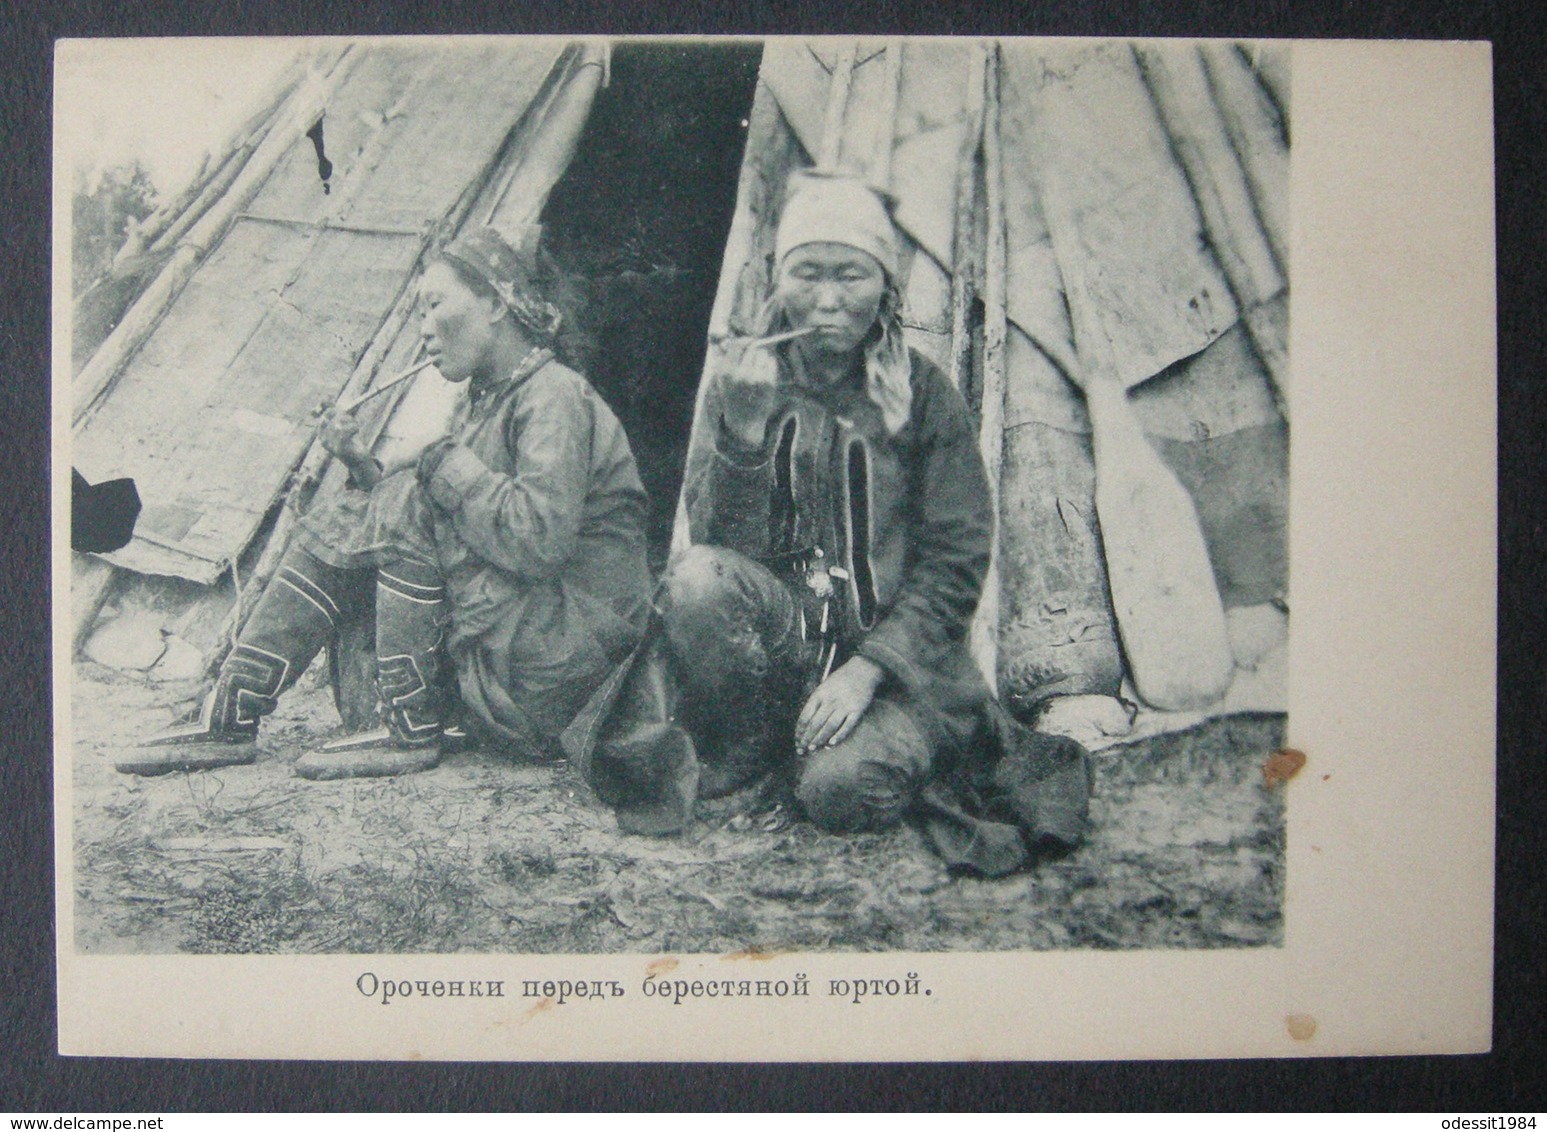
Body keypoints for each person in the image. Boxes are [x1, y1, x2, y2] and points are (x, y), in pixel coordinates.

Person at [580, 172, 1091, 874]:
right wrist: (746, 436)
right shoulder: (743, 384)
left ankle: (827, 750)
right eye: (806, 274)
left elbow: (957, 558)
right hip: (785, 638)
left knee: (842, 793)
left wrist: (866, 671)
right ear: (775, 278)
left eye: (850, 275)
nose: (826, 300)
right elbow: (715, 553)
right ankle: (759, 736)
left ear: (885, 283)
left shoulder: (925, 396)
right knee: (695, 580)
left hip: (896, 662)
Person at [119, 227, 652, 780]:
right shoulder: (493, 399)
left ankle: (408, 729)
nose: (423, 330)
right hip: (516, 650)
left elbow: (538, 541)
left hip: (564, 667)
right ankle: (231, 714)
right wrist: (358, 460)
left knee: (410, 492)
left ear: (495, 303)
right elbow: (444, 525)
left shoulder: (555, 396)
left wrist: (439, 463)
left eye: (435, 305)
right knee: (356, 507)